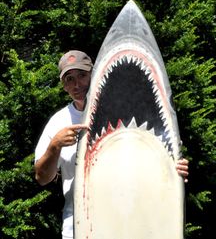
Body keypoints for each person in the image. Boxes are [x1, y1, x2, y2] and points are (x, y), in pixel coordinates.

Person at [34, 50, 189, 239]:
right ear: (63, 85)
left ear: (94, 74)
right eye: (69, 79)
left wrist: (173, 168)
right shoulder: (58, 122)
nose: (77, 84)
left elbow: (149, 159)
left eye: (82, 76)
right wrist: (54, 146)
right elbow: (42, 177)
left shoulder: (124, 109)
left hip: (138, 226)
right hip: (81, 229)